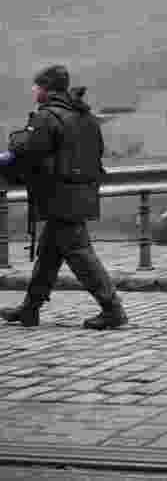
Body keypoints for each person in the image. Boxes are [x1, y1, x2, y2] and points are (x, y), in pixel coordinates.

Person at [0, 66, 126, 330]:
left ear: (46, 89)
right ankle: (30, 309)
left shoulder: (47, 117)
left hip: (60, 196)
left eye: (36, 86)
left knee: (80, 254)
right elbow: (97, 150)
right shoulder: (84, 115)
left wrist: (12, 152)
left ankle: (112, 309)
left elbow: (30, 150)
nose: (33, 90)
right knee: (49, 253)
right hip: (81, 191)